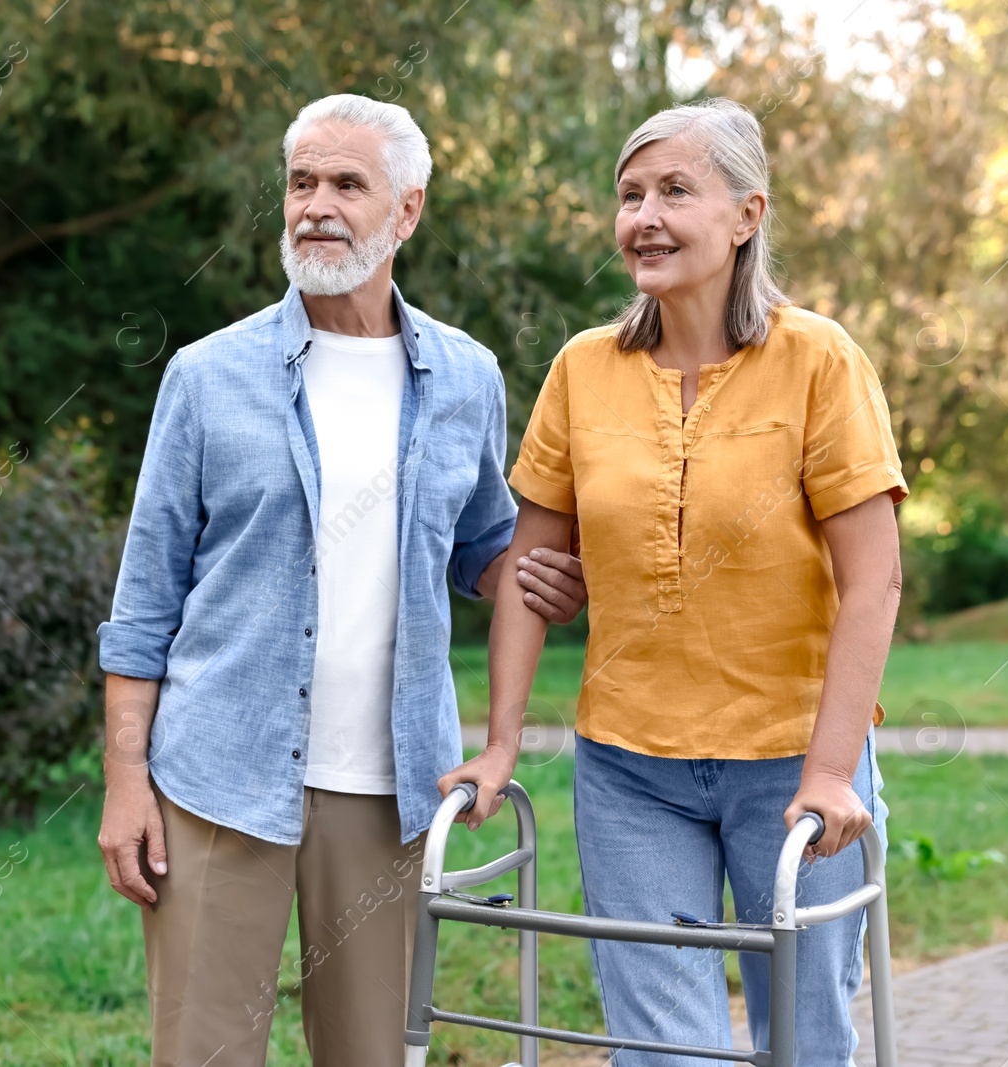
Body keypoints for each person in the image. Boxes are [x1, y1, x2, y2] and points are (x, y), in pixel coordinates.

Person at [95, 93, 587, 1067]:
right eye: (300, 182)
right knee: (203, 1053)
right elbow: (143, 598)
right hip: (218, 780)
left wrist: (557, 569)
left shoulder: (466, 377)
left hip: (388, 787)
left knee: (372, 1053)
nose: (315, 204)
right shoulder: (206, 376)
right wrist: (123, 780)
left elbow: (486, 546)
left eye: (346, 184)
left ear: (405, 210)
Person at [441, 98, 908, 1065]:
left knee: (805, 1041)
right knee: (663, 1052)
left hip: (793, 763)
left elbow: (876, 584)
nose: (643, 217)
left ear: (746, 214)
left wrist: (830, 768)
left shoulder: (819, 359)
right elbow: (531, 576)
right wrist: (497, 745)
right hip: (630, 768)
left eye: (674, 192)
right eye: (629, 196)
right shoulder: (582, 370)